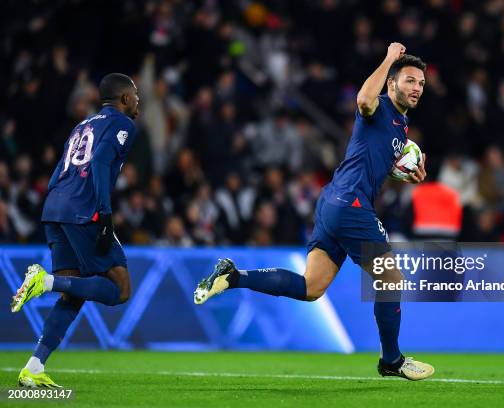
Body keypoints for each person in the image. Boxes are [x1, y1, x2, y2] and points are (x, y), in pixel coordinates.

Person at [194, 43, 434, 381]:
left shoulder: (399, 125)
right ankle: (391, 360)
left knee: (311, 287)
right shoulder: (379, 105)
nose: (416, 88)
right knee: (391, 279)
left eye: (421, 84)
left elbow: (371, 154)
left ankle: (233, 276)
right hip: (352, 205)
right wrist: (389, 59)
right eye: (409, 80)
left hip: (332, 202)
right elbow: (364, 101)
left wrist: (401, 170)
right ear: (392, 83)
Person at [10, 73, 139, 388]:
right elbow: (98, 163)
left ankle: (34, 366)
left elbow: (60, 171)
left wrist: (56, 205)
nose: (138, 101)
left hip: (55, 207)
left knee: (73, 291)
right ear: (124, 99)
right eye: (135, 95)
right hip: (84, 210)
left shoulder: (83, 125)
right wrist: (105, 217)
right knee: (120, 289)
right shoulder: (123, 125)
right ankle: (45, 280)